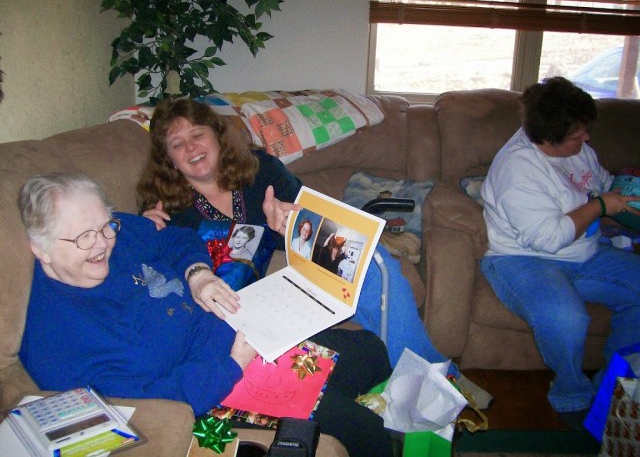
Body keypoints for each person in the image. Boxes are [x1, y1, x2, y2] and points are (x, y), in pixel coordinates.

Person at [137, 98, 493, 406]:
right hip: (235, 306)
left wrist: (290, 222)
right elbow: (155, 275)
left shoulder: (260, 169)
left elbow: (318, 227)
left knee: (372, 265)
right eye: (177, 144)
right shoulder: (167, 206)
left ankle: (433, 380)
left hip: (288, 272)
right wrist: (145, 235)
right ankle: (437, 384)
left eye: (197, 134)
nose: (191, 148)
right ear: (169, 159)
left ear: (216, 135)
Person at [17, 172, 395, 457]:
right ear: (41, 249)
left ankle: (335, 391)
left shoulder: (117, 234)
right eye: (84, 237)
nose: (103, 243)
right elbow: (138, 405)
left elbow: (176, 238)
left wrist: (198, 275)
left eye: (106, 226)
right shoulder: (55, 343)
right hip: (217, 384)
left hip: (239, 327)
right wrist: (231, 366)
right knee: (364, 430)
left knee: (372, 352)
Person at [479, 77, 640, 429]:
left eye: (586, 131)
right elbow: (548, 239)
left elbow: (600, 182)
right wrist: (599, 206)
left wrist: (625, 193)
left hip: (584, 252)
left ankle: (615, 390)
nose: (587, 139)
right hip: (522, 259)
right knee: (565, 318)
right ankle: (571, 395)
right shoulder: (517, 171)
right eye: (577, 136)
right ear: (546, 140)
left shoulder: (578, 151)